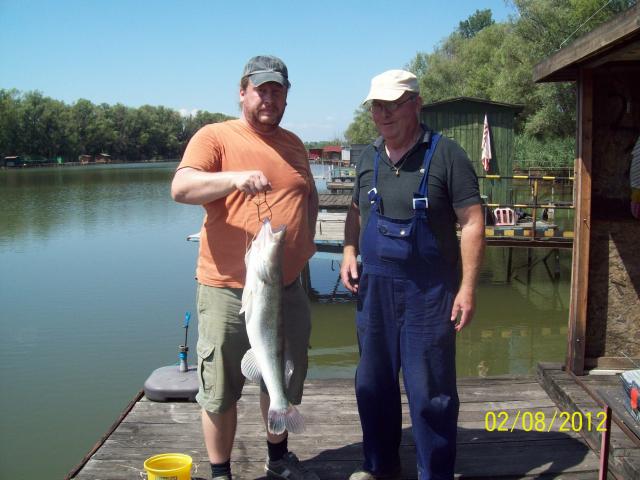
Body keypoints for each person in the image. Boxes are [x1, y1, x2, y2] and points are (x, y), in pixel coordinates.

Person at [171, 55, 319, 480]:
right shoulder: (214, 136)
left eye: (278, 91)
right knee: (219, 390)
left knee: (280, 377)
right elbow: (181, 187)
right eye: (261, 89)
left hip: (287, 285)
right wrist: (233, 179)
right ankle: (221, 473)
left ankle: (278, 460)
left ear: (287, 96)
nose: (269, 98)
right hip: (226, 288)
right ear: (242, 92)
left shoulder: (294, 144)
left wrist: (304, 247)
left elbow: (305, 196)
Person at [340, 70, 485, 480]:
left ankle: (434, 473)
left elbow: (473, 222)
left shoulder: (447, 155)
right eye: (377, 106)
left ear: (416, 103)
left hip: (430, 292)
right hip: (375, 291)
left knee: (430, 393)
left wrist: (468, 289)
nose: (383, 114)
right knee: (372, 385)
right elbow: (355, 210)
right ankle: (379, 466)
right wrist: (350, 248)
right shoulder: (368, 157)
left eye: (393, 104)